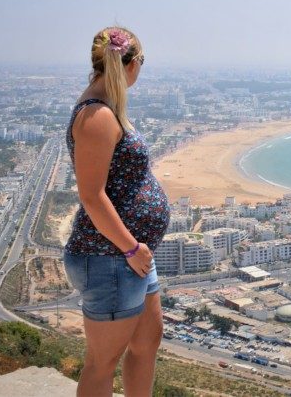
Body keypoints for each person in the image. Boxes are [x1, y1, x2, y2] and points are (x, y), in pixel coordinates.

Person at [62, 26, 170, 396]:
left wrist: (135, 250)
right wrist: (130, 247)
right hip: (110, 255)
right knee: (102, 363)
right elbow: (91, 196)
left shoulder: (106, 108)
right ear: (132, 63)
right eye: (142, 61)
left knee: (147, 342)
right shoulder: (97, 117)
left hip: (130, 254)